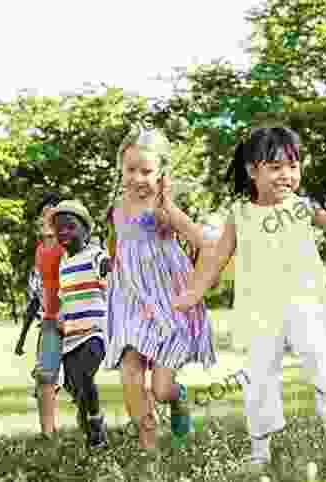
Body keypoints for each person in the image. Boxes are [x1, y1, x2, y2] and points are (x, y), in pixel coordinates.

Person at [173, 127, 326, 471]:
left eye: (293, 167)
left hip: (305, 302)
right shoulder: (240, 215)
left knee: (318, 354)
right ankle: (259, 449)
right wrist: (190, 295)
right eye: (276, 167)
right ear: (253, 171)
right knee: (259, 379)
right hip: (260, 311)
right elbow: (216, 260)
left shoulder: (304, 208)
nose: (287, 175)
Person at [103, 127, 216, 451]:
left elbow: (206, 246)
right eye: (131, 170)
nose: (138, 178)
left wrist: (195, 289)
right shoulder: (116, 206)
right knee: (130, 371)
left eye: (147, 171)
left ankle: (177, 398)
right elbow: (120, 245)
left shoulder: (164, 209)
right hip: (131, 300)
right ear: (121, 169)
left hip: (167, 302)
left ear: (161, 172)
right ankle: (148, 445)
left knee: (162, 388)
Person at [39, 199, 110, 449]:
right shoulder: (64, 264)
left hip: (95, 331)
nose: (63, 233)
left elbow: (112, 287)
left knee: (86, 376)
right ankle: (89, 423)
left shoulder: (97, 256)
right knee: (72, 384)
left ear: (85, 229)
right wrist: (60, 317)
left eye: (70, 227)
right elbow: (65, 297)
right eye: (59, 229)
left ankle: (95, 423)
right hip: (71, 335)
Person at [30, 192, 68, 437]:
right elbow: (41, 285)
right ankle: (47, 433)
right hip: (50, 320)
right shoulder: (40, 248)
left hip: (75, 318)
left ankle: (92, 427)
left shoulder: (69, 244)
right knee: (45, 376)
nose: (47, 215)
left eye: (52, 211)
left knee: (78, 379)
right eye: (44, 211)